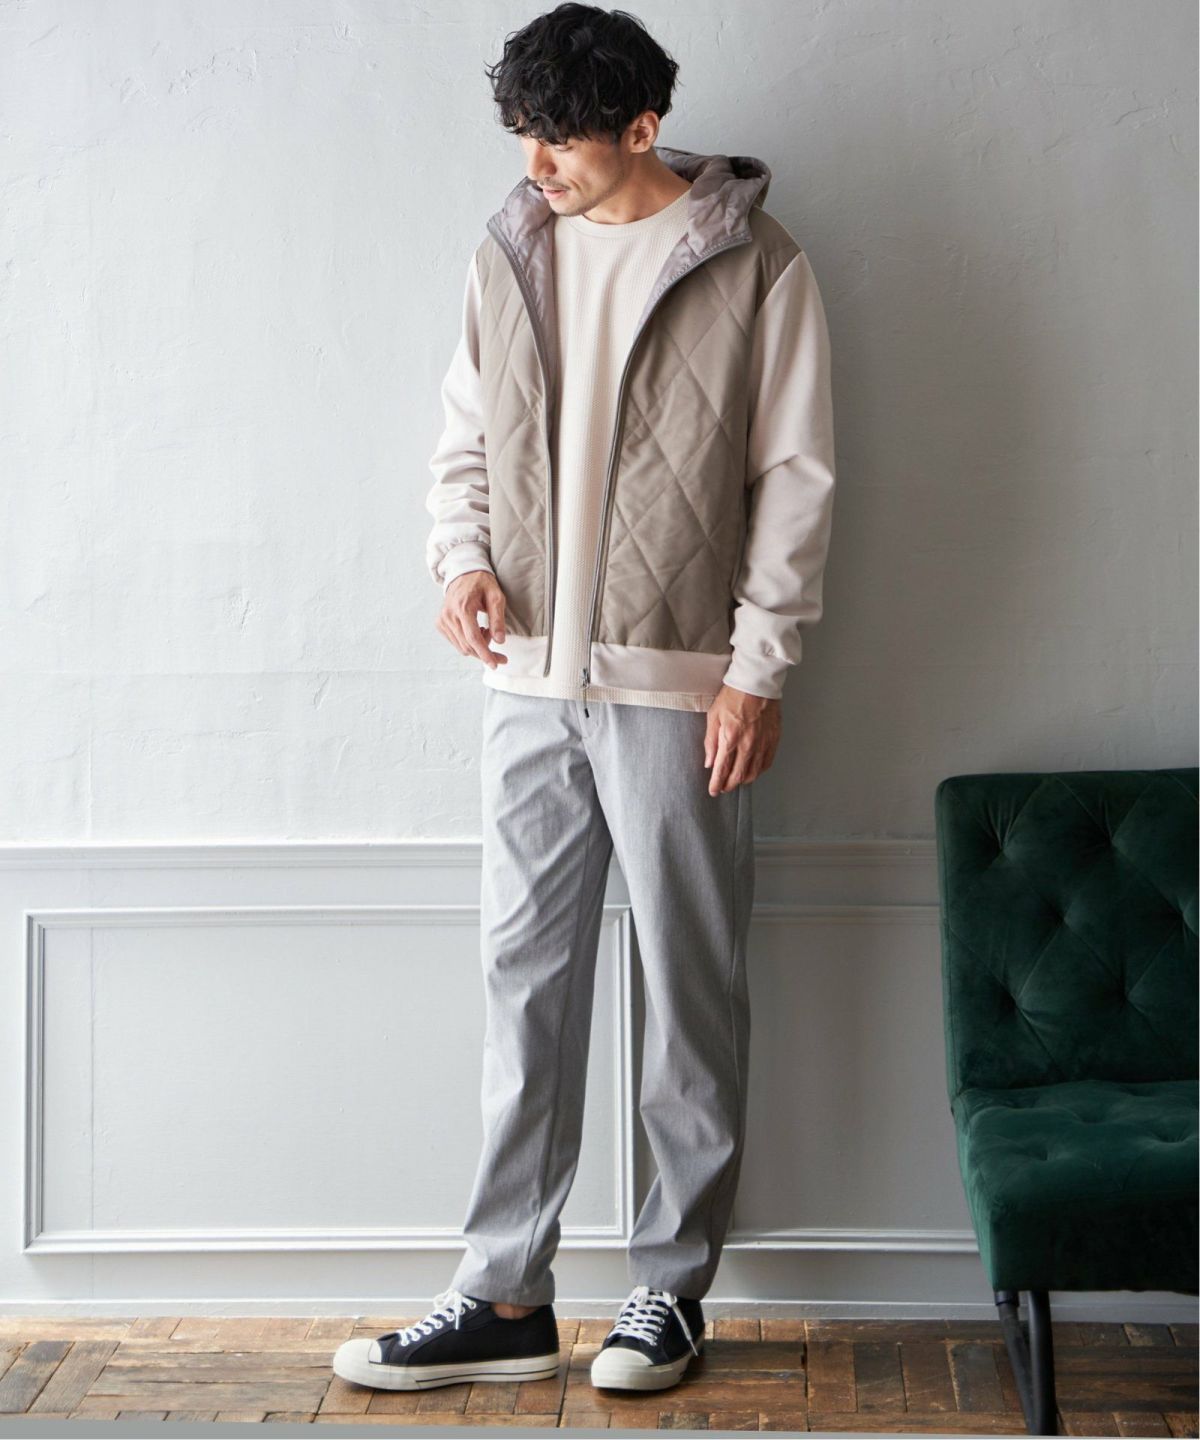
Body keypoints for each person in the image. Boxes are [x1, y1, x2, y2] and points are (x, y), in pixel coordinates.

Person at [334, 0, 835, 1398]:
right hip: (526, 682)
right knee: (525, 985)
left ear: (642, 125)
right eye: (522, 135)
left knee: (688, 985)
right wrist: (460, 561)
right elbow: (464, 435)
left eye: (559, 138)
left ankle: (671, 1290)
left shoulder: (757, 264)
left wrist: (757, 670)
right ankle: (504, 1292)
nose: (536, 163)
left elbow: (796, 483)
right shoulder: (511, 248)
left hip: (679, 689)